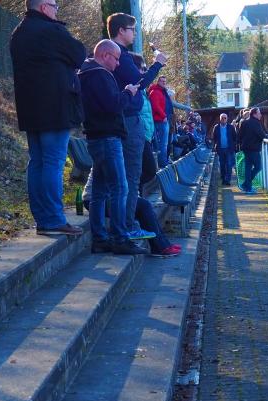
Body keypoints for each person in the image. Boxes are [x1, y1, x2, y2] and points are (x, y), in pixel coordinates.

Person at [10, 0, 86, 236]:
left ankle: (43, 218)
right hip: (55, 107)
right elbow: (79, 54)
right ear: (44, 7)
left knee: (38, 162)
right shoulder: (51, 30)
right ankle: (53, 218)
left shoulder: (19, 33)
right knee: (53, 162)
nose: (56, 11)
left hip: (31, 108)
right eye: (55, 6)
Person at [77, 39, 147, 255]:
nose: (118, 64)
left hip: (97, 136)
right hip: (107, 137)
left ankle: (100, 238)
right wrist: (127, 92)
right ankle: (119, 237)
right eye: (116, 59)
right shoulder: (99, 74)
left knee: (99, 190)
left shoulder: (86, 73)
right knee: (120, 188)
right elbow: (113, 105)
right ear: (105, 55)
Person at [107, 13, 167, 239]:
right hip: (128, 121)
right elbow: (139, 83)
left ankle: (124, 225)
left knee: (126, 178)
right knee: (132, 176)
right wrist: (157, 64)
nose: (134, 33)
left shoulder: (114, 54)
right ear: (121, 30)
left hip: (123, 120)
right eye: (132, 29)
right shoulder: (119, 55)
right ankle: (128, 226)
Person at [81, 170, 181, 257]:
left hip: (103, 198)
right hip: (100, 199)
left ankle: (162, 244)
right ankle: (161, 246)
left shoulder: (116, 153)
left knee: (142, 205)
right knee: (143, 205)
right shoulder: (115, 154)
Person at [238, 107, 266, 194]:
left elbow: (239, 135)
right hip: (254, 149)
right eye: (259, 113)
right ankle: (246, 184)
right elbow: (262, 135)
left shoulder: (244, 122)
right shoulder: (256, 123)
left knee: (248, 168)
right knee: (258, 167)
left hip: (246, 149)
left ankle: (247, 187)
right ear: (254, 114)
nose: (260, 115)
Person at [148, 76, 174, 167]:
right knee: (161, 145)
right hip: (160, 121)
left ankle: (164, 163)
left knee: (165, 144)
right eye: (162, 81)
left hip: (164, 121)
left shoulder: (162, 92)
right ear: (158, 81)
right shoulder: (155, 92)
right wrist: (164, 116)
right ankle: (162, 165)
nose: (164, 83)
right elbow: (155, 106)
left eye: (165, 81)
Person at [212, 113, 238, 186]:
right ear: (220, 119)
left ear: (227, 119)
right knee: (222, 165)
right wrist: (215, 146)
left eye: (225, 118)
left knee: (229, 164)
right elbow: (214, 138)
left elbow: (235, 137)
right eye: (222, 118)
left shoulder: (231, 127)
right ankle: (223, 178)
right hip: (220, 149)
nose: (223, 119)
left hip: (229, 149)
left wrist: (233, 146)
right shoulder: (216, 127)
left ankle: (228, 180)